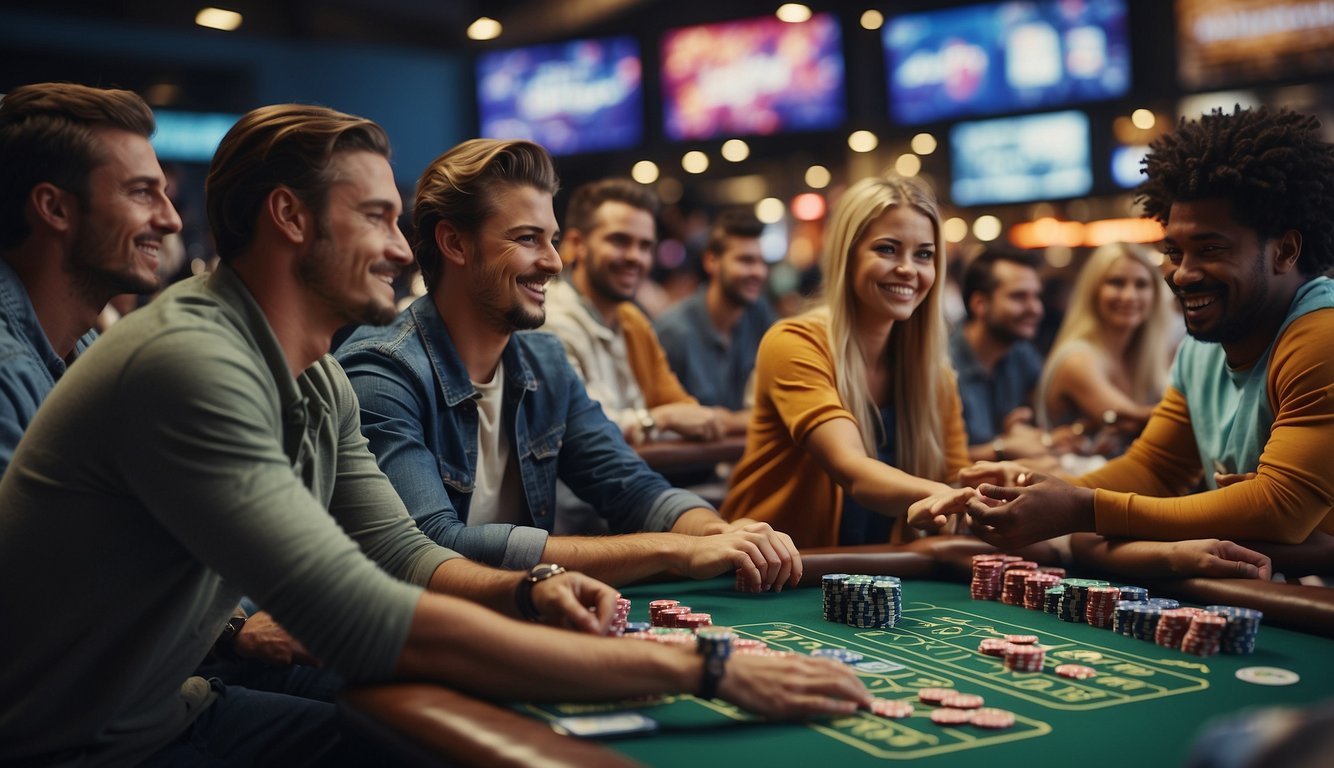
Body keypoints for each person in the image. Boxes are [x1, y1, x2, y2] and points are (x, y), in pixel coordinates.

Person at [0, 104, 870, 766]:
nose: (402, 247)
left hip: (165, 709)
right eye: (378, 218)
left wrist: (531, 592)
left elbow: (405, 552)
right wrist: (703, 670)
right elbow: (368, 619)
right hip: (67, 745)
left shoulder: (317, 375)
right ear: (291, 219)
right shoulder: (193, 363)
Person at [336, 138, 799, 589]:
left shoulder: (545, 360)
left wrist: (717, 534)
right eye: (527, 239)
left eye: (552, 240)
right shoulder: (383, 371)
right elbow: (434, 545)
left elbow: (630, 485)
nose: (555, 262)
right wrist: (675, 549)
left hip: (521, 616)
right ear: (455, 244)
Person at [964, 106, 1334, 557]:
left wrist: (1083, 508)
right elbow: (1155, 468)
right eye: (1175, 252)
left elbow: (1279, 508)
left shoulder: (1321, 334)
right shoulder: (1205, 348)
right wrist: (1034, 493)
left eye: (1210, 248)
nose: (1182, 274)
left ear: (1286, 251)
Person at [719, 174, 977, 548]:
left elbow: (955, 477)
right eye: (887, 249)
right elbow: (853, 470)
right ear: (848, 256)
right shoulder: (793, 342)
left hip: (880, 576)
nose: (908, 268)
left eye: (924, 254)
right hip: (775, 574)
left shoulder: (934, 375)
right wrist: (947, 495)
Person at [0, 82, 181, 476]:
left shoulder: (85, 346)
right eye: (141, 192)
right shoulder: (6, 372)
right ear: (54, 208)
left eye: (164, 194)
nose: (171, 220)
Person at [545, 177, 725, 444]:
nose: (635, 257)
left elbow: (684, 410)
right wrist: (660, 420)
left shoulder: (630, 319)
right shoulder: (551, 319)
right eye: (619, 240)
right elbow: (580, 428)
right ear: (577, 243)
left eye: (645, 246)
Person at [1035, 241, 1178, 455]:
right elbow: (1132, 420)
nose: (1129, 296)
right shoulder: (1078, 358)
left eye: (1141, 285)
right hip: (1074, 483)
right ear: (1093, 291)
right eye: (1117, 283)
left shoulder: (1144, 353)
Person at [950, 247, 1082, 464]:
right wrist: (1003, 448)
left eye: (1036, 296)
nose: (1036, 308)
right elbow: (936, 460)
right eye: (1019, 297)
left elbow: (1047, 415)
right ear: (979, 304)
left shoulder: (1020, 353)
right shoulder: (943, 365)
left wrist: (1049, 436)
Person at [655, 208, 777, 434]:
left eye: (762, 262)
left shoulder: (760, 314)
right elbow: (666, 422)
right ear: (711, 261)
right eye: (745, 260)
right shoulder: (672, 332)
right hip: (693, 466)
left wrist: (728, 421)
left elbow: (782, 408)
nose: (758, 272)